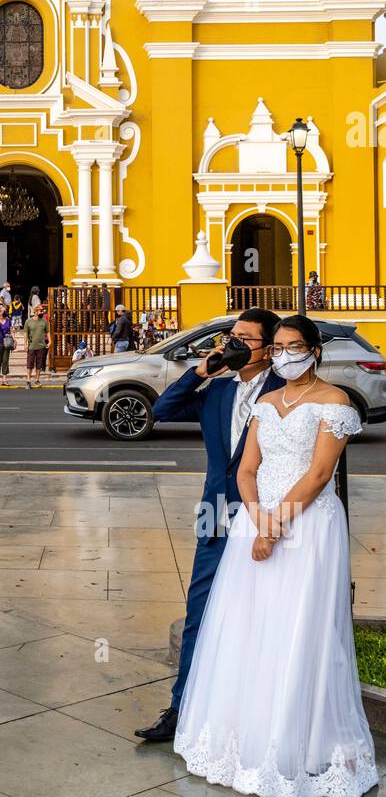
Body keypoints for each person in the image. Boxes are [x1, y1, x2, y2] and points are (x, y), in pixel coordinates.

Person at [175, 317, 378, 797]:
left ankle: (302, 743)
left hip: (306, 526)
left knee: (301, 625)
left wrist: (277, 524)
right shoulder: (265, 405)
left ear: (314, 351)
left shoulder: (335, 402)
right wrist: (258, 519)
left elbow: (320, 472)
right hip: (257, 521)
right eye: (281, 347)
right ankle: (248, 733)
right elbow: (247, 470)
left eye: (295, 346)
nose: (287, 354)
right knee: (250, 624)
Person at [134, 308, 282, 742]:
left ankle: (256, 710)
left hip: (266, 514)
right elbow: (162, 408)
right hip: (215, 512)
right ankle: (180, 708)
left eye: (245, 339)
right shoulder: (217, 390)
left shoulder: (284, 390)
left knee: (266, 610)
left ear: (269, 349)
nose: (233, 344)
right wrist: (201, 370)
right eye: (230, 336)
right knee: (200, 611)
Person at [24, 303, 50, 388]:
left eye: (42, 311)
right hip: (31, 346)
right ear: (35, 312)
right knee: (30, 364)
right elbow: (25, 334)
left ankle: (37, 380)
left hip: (41, 346)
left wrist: (50, 341)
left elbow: (48, 332)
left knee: (39, 364)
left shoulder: (44, 321)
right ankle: (28, 381)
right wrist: (25, 344)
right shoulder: (28, 321)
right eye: (40, 311)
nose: (41, 312)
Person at [0, 306, 16, 386]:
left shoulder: (8, 320)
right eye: (3, 311)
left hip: (7, 343)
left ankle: (4, 379)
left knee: (5, 360)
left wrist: (14, 340)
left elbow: (11, 331)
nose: (5, 312)